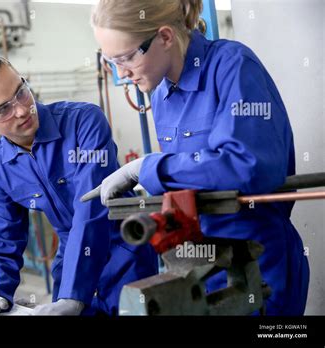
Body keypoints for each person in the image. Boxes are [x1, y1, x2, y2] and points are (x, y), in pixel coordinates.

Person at [83, 0, 309, 315]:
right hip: (198, 264)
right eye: (111, 62)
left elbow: (247, 165)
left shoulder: (232, 66)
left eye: (126, 58)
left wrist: (148, 167)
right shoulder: (161, 94)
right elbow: (190, 179)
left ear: (164, 37)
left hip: (257, 263)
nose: (121, 73)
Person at [0, 54, 158, 315]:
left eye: (21, 92)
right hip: (69, 260)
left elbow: (91, 208)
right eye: (3, 109)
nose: (22, 109)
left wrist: (73, 295)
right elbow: (3, 236)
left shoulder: (84, 122)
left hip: (124, 249)